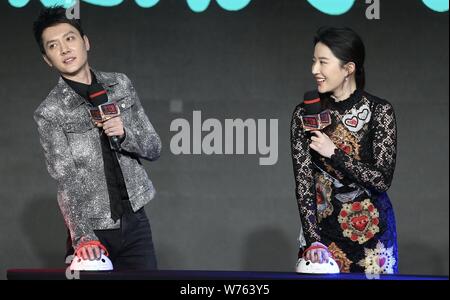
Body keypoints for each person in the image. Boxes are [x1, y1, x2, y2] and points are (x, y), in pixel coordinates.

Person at [33, 6, 161, 270]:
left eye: (70, 39)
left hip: (135, 221)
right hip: (92, 230)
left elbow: (154, 147)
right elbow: (65, 179)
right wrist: (83, 237)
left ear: (85, 42)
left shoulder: (120, 85)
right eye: (53, 45)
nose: (65, 49)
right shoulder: (50, 112)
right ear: (47, 59)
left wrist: (125, 133)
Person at [291, 27, 398, 274]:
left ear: (348, 68)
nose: (314, 70)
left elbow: (381, 180)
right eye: (313, 61)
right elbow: (304, 184)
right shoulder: (304, 114)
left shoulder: (379, 111)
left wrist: (334, 153)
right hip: (323, 240)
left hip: (374, 239)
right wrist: (312, 239)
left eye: (323, 62)